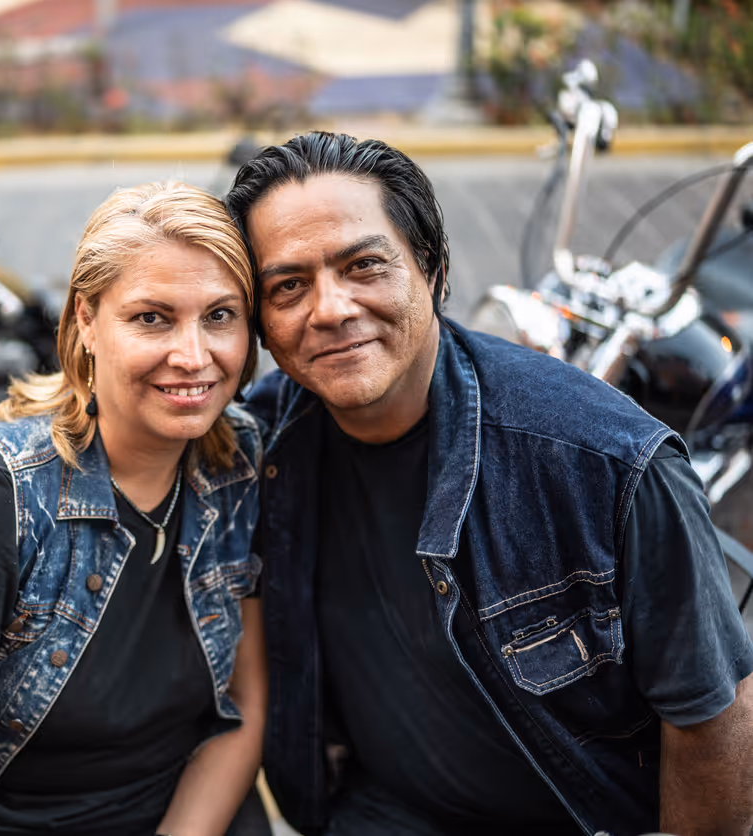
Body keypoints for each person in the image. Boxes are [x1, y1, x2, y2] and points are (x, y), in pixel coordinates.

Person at [224, 131, 753, 836]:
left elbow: (711, 715)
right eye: (287, 286)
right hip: (372, 815)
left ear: (433, 271)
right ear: (260, 321)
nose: (329, 309)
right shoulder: (258, 443)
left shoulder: (606, 462)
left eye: (363, 266)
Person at [0, 181, 270, 836]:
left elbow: (242, 709)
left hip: (188, 810)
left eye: (219, 315)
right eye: (151, 318)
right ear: (85, 319)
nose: (194, 356)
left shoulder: (238, 460)